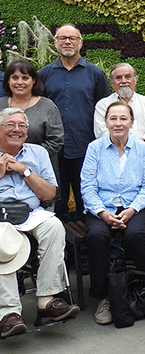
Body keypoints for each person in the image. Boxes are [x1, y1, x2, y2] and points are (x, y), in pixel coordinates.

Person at [81, 102, 145, 325]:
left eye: (123, 118)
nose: (118, 123)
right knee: (98, 236)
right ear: (105, 122)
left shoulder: (141, 148)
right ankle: (103, 296)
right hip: (102, 207)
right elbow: (87, 186)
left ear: (131, 122)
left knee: (135, 234)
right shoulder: (94, 148)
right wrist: (102, 212)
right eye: (113, 118)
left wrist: (132, 210)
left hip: (135, 206)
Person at [0, 107, 80, 336]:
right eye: (10, 125)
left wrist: (24, 171)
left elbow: (50, 194)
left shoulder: (37, 153)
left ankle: (47, 300)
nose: (17, 130)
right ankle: (8, 313)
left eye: (22, 126)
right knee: (1, 240)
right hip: (0, 217)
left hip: (30, 212)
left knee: (54, 226)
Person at [38, 24, 110, 221]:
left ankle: (88, 249)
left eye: (72, 38)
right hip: (52, 151)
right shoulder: (44, 74)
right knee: (56, 204)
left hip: (85, 149)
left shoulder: (95, 74)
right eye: (62, 38)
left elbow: (105, 109)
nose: (67, 42)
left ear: (81, 42)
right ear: (55, 42)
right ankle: (62, 250)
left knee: (86, 201)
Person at [0, 59, 64, 208]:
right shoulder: (1, 104)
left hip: (38, 172)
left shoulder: (47, 106)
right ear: (7, 81)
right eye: (15, 78)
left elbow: (56, 140)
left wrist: (28, 160)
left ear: (34, 81)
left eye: (25, 78)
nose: (20, 82)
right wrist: (8, 160)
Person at [94, 63, 145, 148]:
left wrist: (141, 144)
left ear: (135, 79)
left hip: (142, 152)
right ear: (112, 82)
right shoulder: (103, 105)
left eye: (128, 77)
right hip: (113, 153)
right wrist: (121, 146)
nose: (124, 81)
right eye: (118, 78)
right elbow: (101, 131)